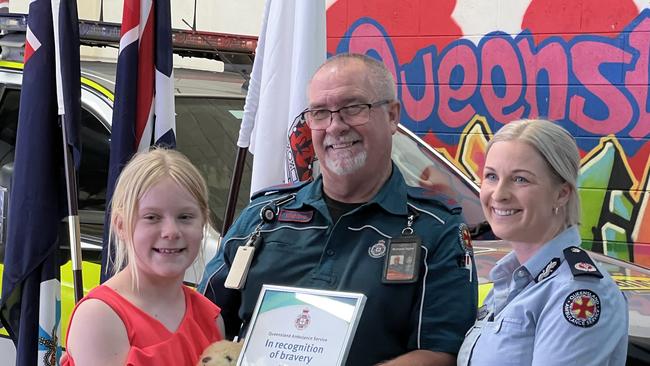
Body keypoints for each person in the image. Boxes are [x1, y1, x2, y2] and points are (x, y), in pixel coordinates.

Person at [199, 53, 478, 365]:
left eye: (353, 107)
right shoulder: (262, 220)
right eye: (320, 112)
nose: (335, 126)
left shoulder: (435, 229)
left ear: (392, 115)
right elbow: (201, 321)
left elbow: (442, 352)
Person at [457, 119, 628, 365]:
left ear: (561, 193)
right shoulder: (510, 281)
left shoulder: (579, 293)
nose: (499, 194)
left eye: (520, 180)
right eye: (491, 176)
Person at [62, 149, 224, 365]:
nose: (171, 231)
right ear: (121, 226)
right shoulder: (99, 317)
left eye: (185, 217)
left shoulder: (210, 318)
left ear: (203, 222)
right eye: (152, 217)